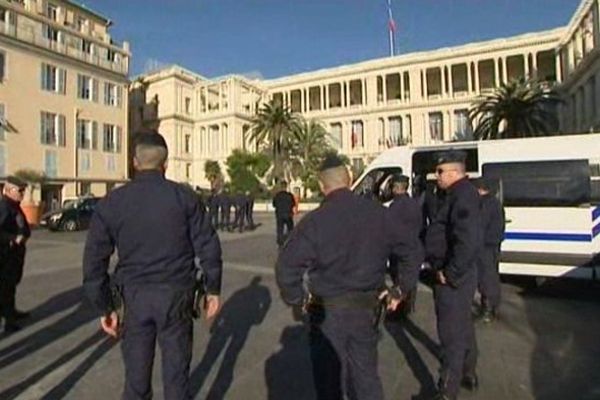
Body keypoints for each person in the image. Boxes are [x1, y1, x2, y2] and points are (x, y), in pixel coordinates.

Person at [82, 131, 223, 400]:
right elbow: (208, 244)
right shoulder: (184, 197)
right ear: (165, 164)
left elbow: (94, 260)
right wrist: (213, 289)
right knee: (177, 375)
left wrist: (104, 306)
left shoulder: (113, 202)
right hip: (177, 295)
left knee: (136, 379)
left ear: (134, 162)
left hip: (134, 297)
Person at [276, 155, 422, 400]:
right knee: (366, 378)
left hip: (326, 312)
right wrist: (400, 289)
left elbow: (286, 266)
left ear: (322, 186)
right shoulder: (379, 214)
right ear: (351, 179)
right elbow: (413, 251)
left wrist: (296, 299)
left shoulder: (314, 221)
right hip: (366, 310)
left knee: (328, 382)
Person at [425, 150, 481, 400]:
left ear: (455, 172)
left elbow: (468, 239)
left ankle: (447, 391)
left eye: (440, 171)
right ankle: (468, 371)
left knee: (451, 335)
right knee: (463, 326)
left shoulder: (462, 195)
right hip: (457, 274)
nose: (436, 176)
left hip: (453, 277)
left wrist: (450, 272)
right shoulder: (457, 194)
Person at [387, 173, 424, 317]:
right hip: (414, 246)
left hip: (399, 249)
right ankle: (409, 306)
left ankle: (399, 310)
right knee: (410, 280)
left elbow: (389, 229)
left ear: (396, 188)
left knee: (399, 280)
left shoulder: (395, 206)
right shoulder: (415, 204)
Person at [0, 176, 31, 333]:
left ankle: (11, 312)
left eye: (23, 190)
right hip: (6, 256)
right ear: (8, 190)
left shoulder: (14, 206)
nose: (22, 193)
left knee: (11, 286)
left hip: (14, 255)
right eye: (20, 190)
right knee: (5, 288)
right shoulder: (4, 206)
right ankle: (9, 322)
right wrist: (13, 238)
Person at [472, 177, 505, 323]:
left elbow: (480, 225)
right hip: (492, 245)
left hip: (484, 246)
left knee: (486, 278)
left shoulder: (485, 203)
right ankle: (493, 308)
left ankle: (487, 311)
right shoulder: (495, 202)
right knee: (492, 277)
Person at [272, 181, 295, 246]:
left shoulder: (277, 195)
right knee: (290, 228)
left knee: (280, 228)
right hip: (288, 214)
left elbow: (274, 204)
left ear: (280, 187)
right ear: (286, 186)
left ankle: (280, 241)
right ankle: (291, 240)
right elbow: (293, 204)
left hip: (279, 214)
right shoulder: (289, 195)